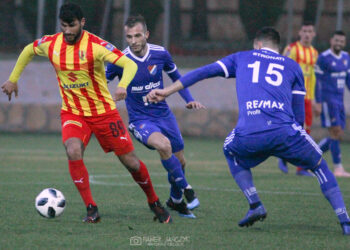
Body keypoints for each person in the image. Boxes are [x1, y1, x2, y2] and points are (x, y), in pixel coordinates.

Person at [146, 27, 350, 235]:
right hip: (285, 132)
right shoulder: (293, 66)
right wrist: (291, 145)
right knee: (320, 167)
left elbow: (202, 72)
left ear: (258, 44)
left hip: (250, 133)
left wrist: (167, 91)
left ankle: (255, 203)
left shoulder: (241, 58)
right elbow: (299, 116)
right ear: (277, 47)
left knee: (229, 149)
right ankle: (345, 221)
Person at [1, 3, 171, 224]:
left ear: (82, 23)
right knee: (72, 149)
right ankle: (91, 208)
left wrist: (123, 86)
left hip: (104, 113)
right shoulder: (52, 44)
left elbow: (128, 64)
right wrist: (13, 79)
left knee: (131, 163)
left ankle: (154, 202)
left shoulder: (96, 45)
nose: (68, 30)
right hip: (73, 112)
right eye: (63, 26)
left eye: (72, 25)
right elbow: (28, 50)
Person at [106, 15, 203, 218]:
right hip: (140, 120)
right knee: (163, 146)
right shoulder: (119, 60)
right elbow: (101, 82)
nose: (133, 41)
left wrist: (189, 99)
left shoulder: (160, 54)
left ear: (146, 35)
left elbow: (177, 78)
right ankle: (188, 191)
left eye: (137, 35)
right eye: (129, 37)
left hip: (164, 115)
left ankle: (175, 201)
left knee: (181, 161)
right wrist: (111, 95)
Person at [278, 21, 318, 176]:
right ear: (300, 33)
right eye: (305, 31)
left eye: (310, 31)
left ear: (314, 34)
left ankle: (300, 167)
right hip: (291, 96)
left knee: (305, 130)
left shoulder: (314, 53)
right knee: (290, 127)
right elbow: (281, 69)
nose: (307, 34)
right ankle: (284, 156)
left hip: (307, 98)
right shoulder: (292, 49)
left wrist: (314, 99)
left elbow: (313, 77)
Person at [315, 31, 350, 177]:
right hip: (328, 100)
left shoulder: (346, 57)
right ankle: (338, 168)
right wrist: (317, 101)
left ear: (344, 43)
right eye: (336, 40)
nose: (339, 43)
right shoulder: (323, 58)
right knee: (335, 132)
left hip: (339, 100)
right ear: (331, 41)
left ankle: (310, 154)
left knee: (338, 133)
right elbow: (317, 81)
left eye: (341, 41)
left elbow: (348, 79)